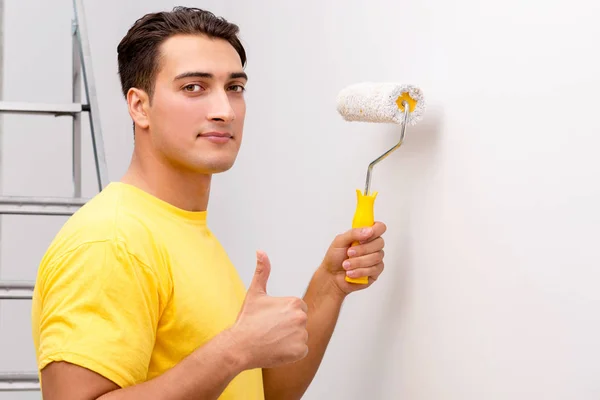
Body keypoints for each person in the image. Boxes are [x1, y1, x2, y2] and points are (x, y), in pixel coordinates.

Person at [31, 6, 386, 400]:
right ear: (139, 106)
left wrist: (330, 285)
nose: (224, 111)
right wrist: (235, 349)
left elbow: (261, 393)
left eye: (234, 87)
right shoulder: (112, 241)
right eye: (193, 87)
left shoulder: (181, 230)